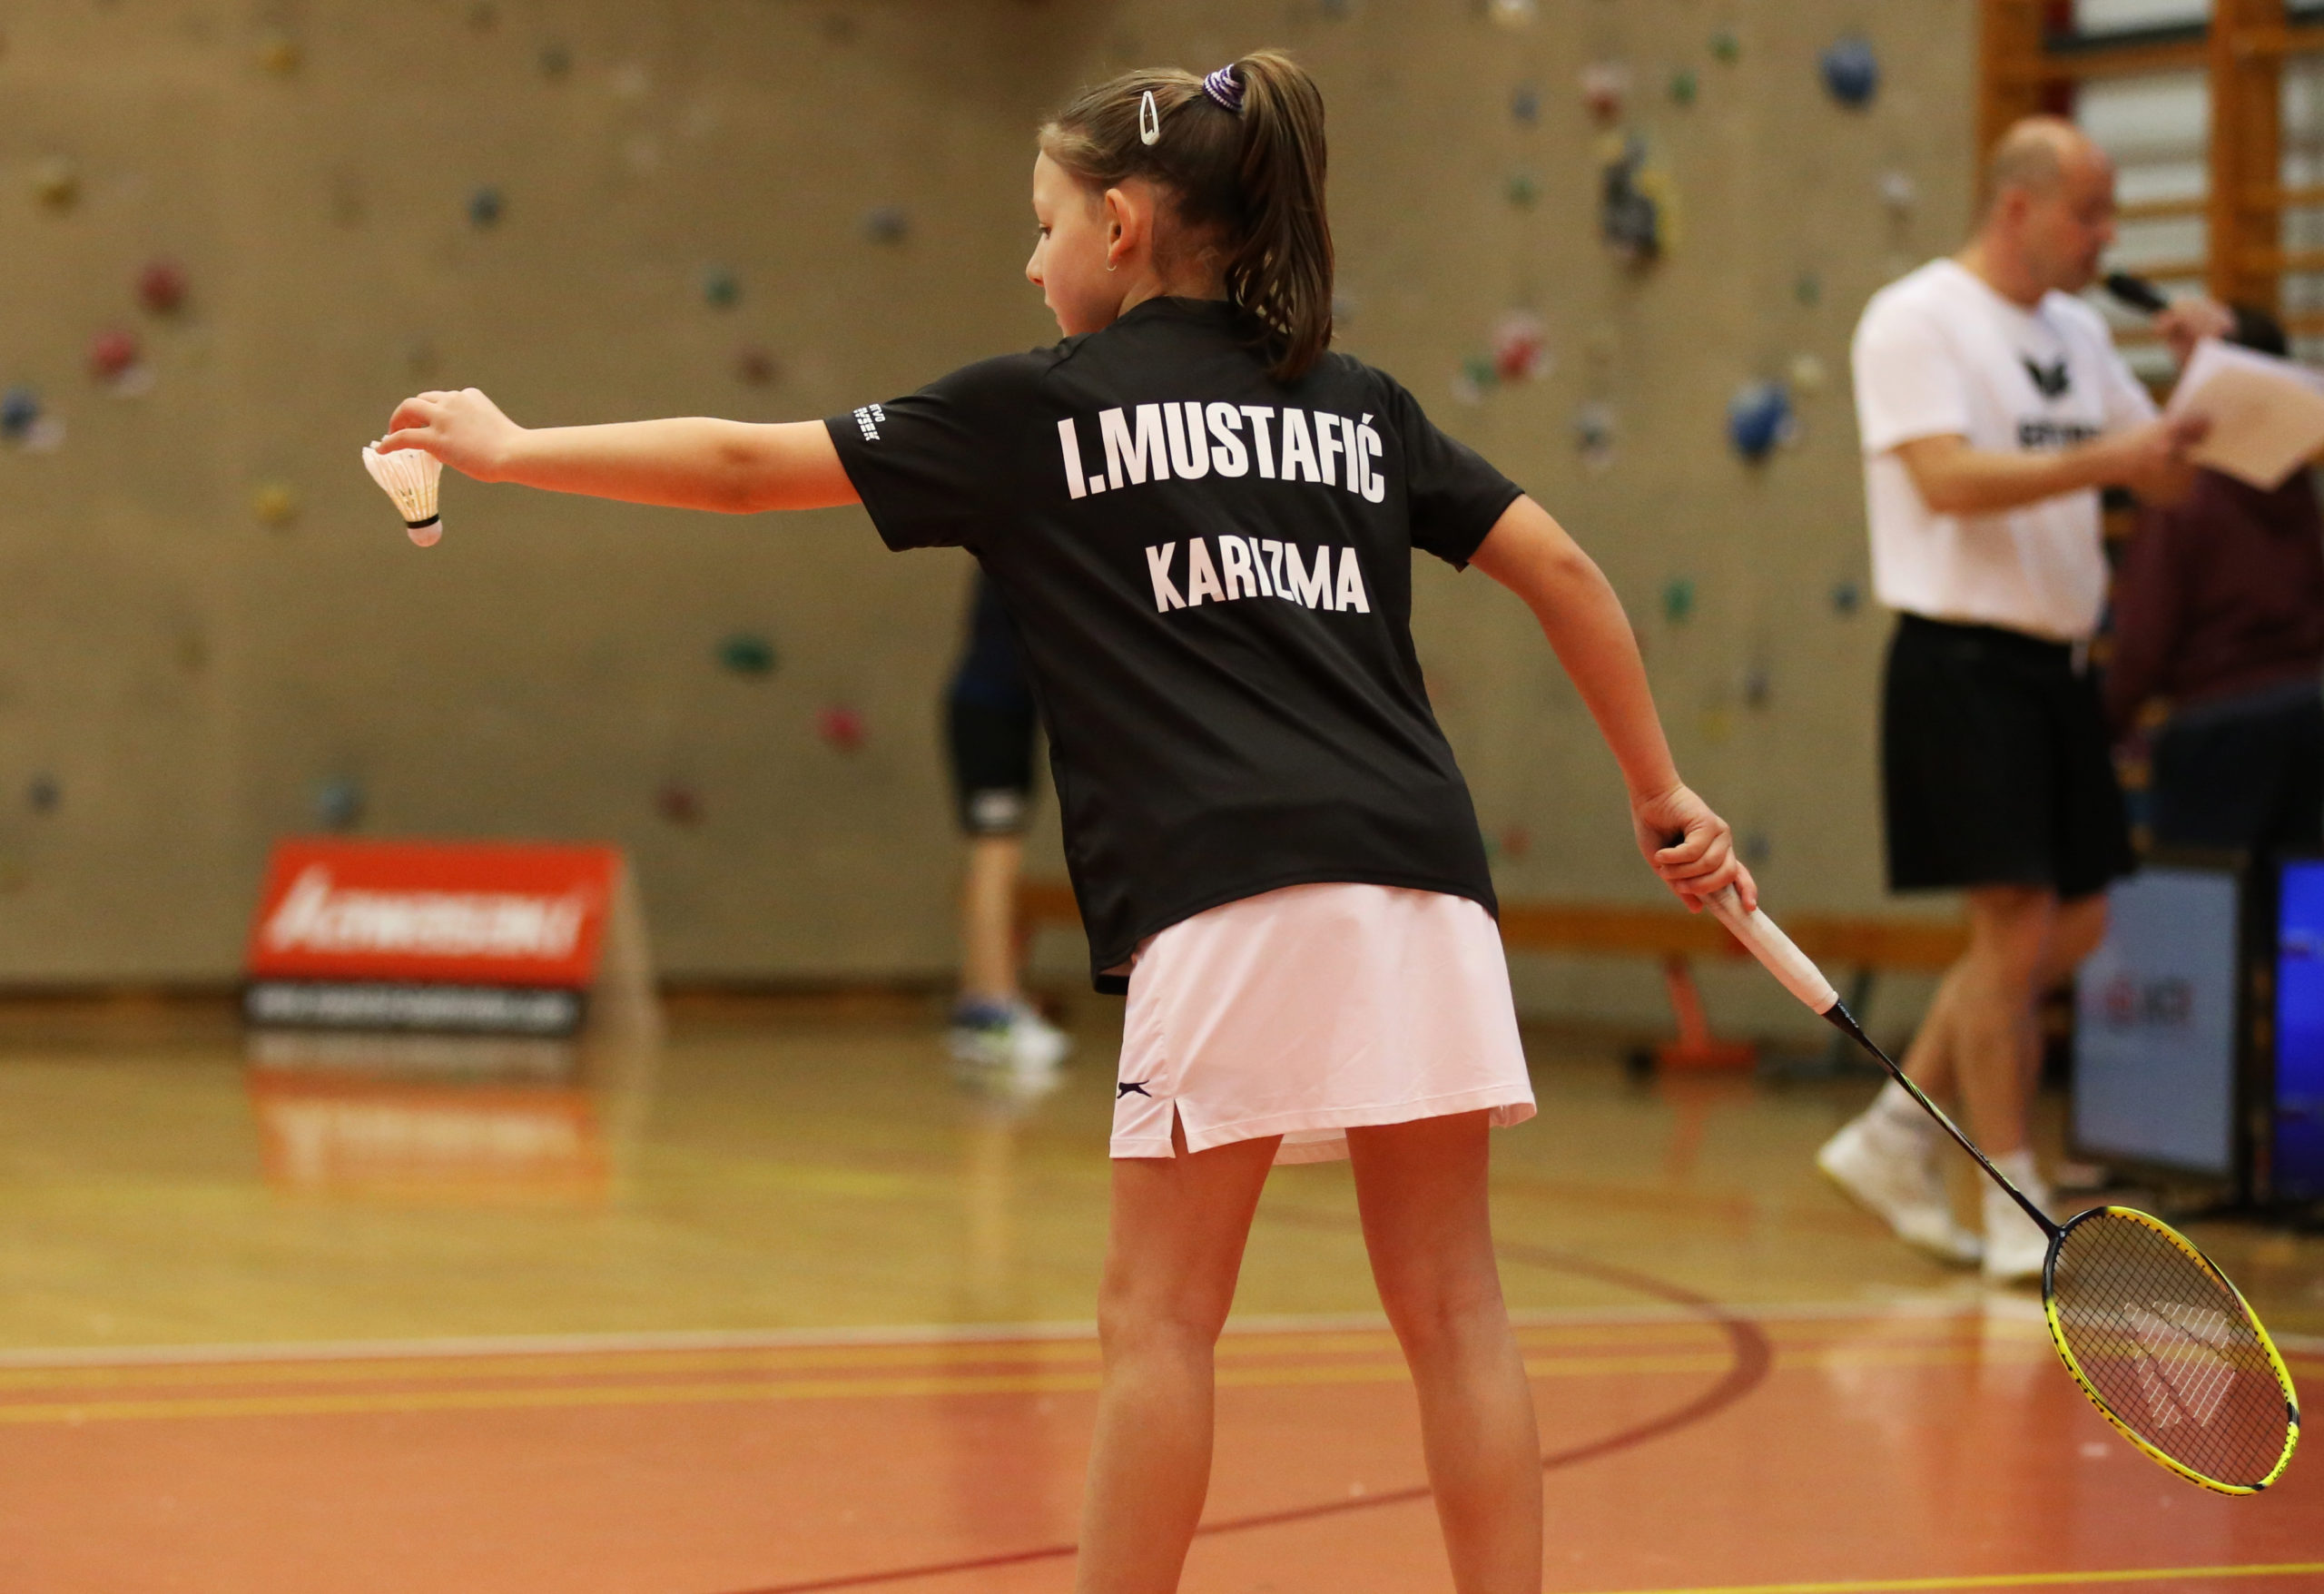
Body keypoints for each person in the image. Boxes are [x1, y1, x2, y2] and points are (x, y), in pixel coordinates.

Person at [376, 52, 1752, 1594]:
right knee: (1455, 1307)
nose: (1031, 264)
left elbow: (748, 470)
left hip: (1227, 892)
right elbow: (1562, 569)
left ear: (1120, 227)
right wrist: (1661, 791)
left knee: (1158, 1321)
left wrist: (512, 449)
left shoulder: (1035, 408)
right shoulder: (1360, 407)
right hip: (1426, 880)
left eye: (1042, 225)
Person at [1823, 115, 2216, 1284]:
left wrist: (2204, 372)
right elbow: (1944, 480)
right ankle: (2015, 1200)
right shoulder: (1914, 318)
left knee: (2070, 930)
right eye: (2088, 214)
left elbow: (2163, 473)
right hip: (1962, 663)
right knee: (2010, 937)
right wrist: (2107, 463)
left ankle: (1894, 1132)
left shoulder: (2080, 332)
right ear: (2017, 207)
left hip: (2058, 668)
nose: (2106, 237)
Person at [2104, 306, 2324, 857]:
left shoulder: (2186, 489)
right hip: (2311, 710)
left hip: (2221, 727)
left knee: (2211, 899)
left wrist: (2106, 723)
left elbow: (2146, 632)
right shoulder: (2295, 486)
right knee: (2302, 896)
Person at [943, 568, 1072, 1079]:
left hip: (1013, 714)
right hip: (989, 714)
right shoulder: (1019, 552)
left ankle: (978, 1000)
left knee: (996, 858)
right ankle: (992, 1010)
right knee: (995, 857)